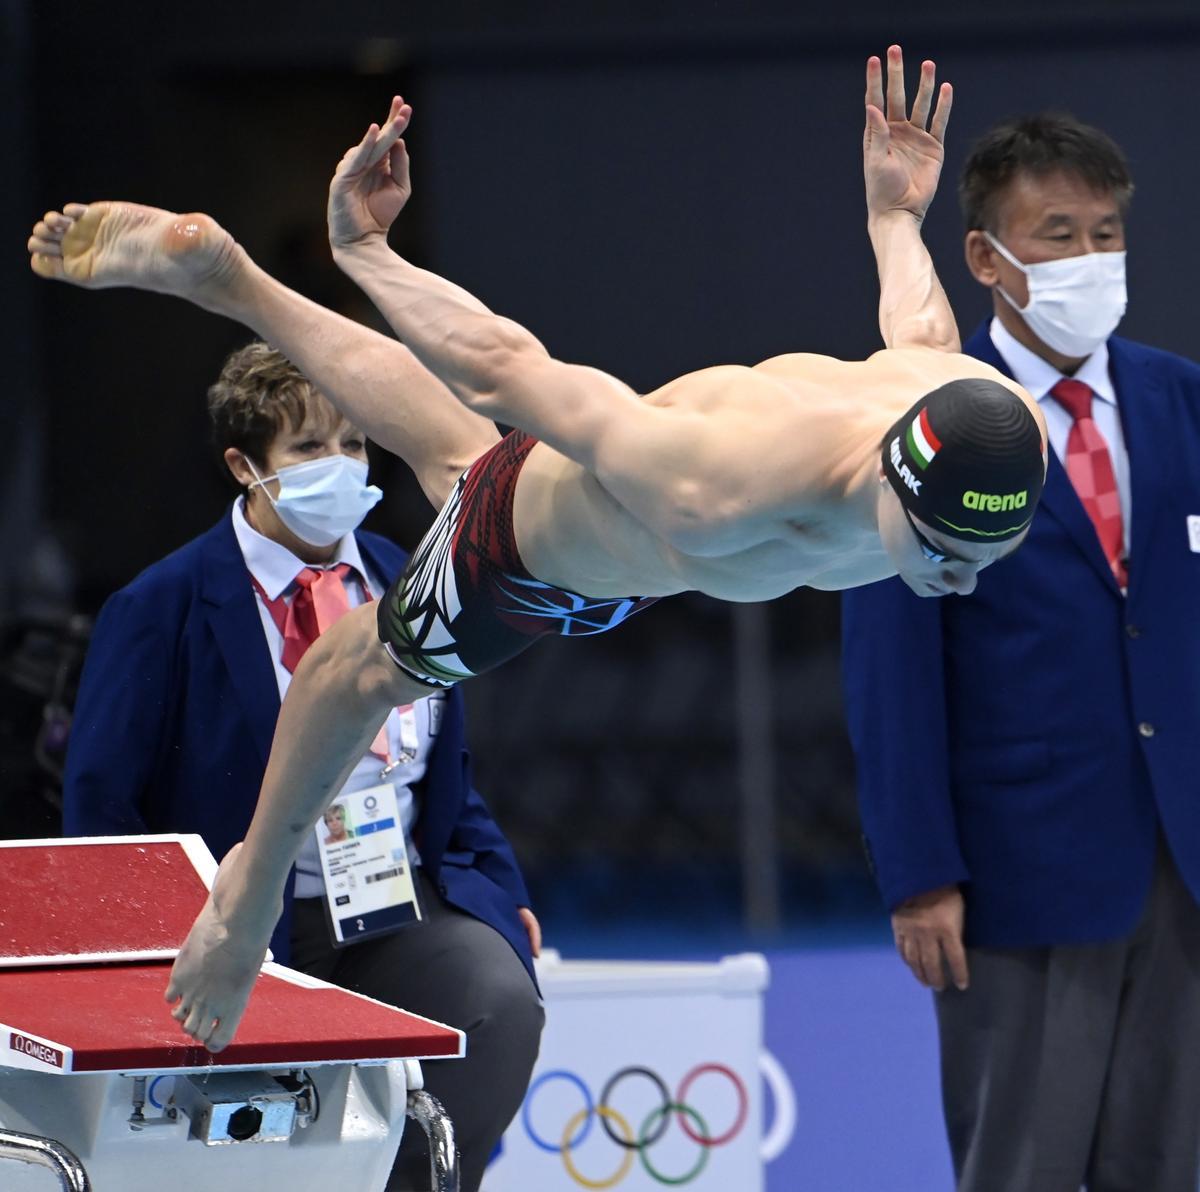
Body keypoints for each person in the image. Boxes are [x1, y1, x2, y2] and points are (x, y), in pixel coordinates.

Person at [29, 45, 1047, 1051]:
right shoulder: (711, 483)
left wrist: (895, 218)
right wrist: (369, 255)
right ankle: (249, 899)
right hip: (537, 550)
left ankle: (229, 279)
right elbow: (505, 362)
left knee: (451, 454)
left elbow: (921, 337)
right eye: (940, 551)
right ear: (887, 475)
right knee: (358, 666)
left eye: (981, 558)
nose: (956, 581)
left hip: (633, 570)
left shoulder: (986, 418)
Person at [62, 341, 544, 1192]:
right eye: (310, 448)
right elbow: (101, 805)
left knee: (495, 998)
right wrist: (144, 955)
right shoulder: (159, 607)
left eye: (355, 444)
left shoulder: (406, 577)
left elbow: (445, 775)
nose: (342, 467)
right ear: (245, 465)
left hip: (389, 907)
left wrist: (502, 891)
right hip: (230, 931)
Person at [841, 113, 1200, 1191]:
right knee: (1022, 1167)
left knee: (1174, 1164)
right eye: (1058, 235)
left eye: (1106, 233)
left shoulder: (1183, 400)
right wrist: (918, 876)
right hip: (1014, 872)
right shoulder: (928, 419)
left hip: (1181, 865)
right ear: (987, 259)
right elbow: (889, 671)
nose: (1093, 259)